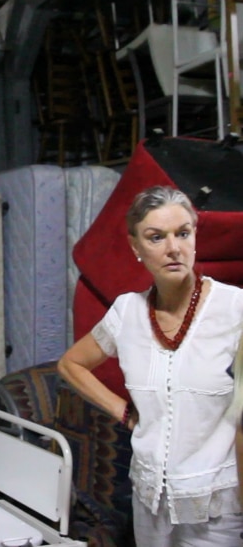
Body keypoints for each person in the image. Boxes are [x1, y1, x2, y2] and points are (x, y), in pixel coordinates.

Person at [58, 185, 243, 546]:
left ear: (194, 237)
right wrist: (124, 412)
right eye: (156, 237)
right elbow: (71, 364)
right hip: (148, 501)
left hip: (215, 508)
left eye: (183, 234)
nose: (173, 248)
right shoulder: (126, 312)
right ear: (136, 247)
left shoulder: (235, 309)